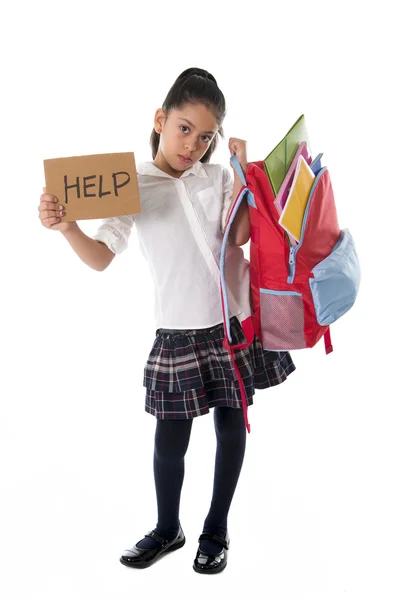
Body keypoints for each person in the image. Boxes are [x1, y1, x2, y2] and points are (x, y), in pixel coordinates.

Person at [38, 67, 296, 574]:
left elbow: (240, 235)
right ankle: (167, 528)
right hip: (178, 329)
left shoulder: (217, 175)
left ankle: (215, 529)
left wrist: (245, 174)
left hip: (231, 322)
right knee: (169, 439)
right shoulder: (129, 184)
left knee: (231, 426)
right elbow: (100, 256)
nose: (193, 145)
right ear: (160, 119)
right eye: (184, 129)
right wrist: (69, 228)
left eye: (205, 137)